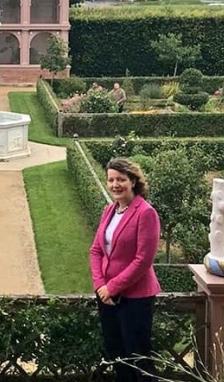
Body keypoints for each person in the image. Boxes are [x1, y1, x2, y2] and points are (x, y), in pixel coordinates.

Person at [90, 158, 161, 382]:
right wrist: (100, 285)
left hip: (135, 298)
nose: (115, 185)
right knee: (117, 355)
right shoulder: (109, 211)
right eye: (111, 180)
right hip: (107, 298)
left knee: (138, 359)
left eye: (121, 179)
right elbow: (95, 251)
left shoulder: (146, 213)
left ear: (132, 181)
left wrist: (112, 287)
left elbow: (143, 260)